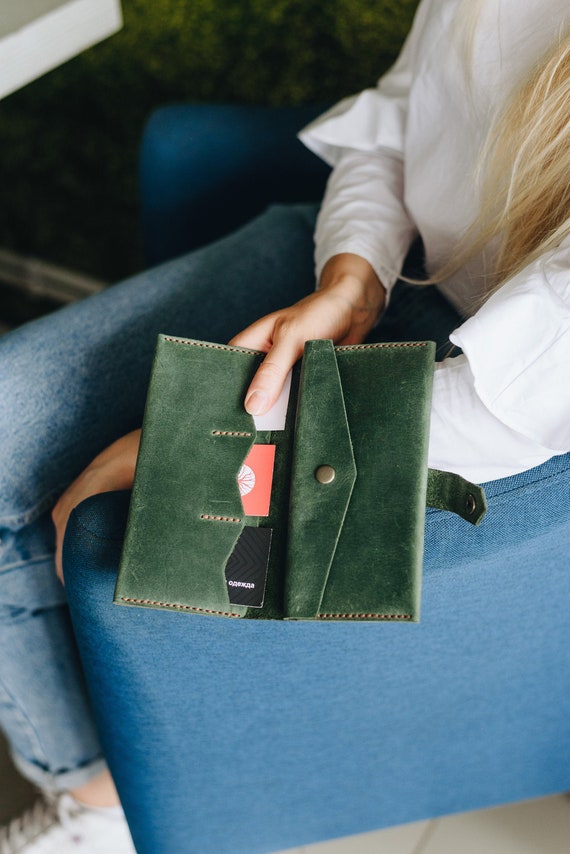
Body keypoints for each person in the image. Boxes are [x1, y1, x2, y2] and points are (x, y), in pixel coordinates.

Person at [1, 0, 568, 850]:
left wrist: (202, 443)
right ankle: (90, 790)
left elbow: (508, 408)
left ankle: (95, 812)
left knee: (114, 517)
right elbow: (397, 115)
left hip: (488, 404)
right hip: (384, 271)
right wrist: (352, 276)